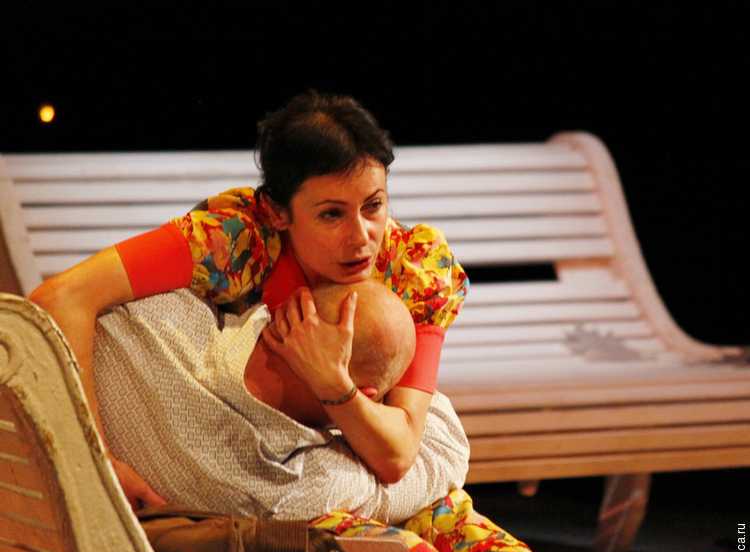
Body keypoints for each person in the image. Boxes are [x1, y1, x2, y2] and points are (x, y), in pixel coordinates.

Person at [29, 89, 469, 506]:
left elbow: (398, 454)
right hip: (253, 462)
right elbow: (62, 296)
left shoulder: (413, 266)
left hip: (361, 462)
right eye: (332, 214)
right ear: (278, 212)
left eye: (373, 206)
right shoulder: (237, 239)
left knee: (472, 540)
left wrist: (334, 383)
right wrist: (96, 462)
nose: (362, 237)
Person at [93, 280, 581, 552]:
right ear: (372, 395)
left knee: (449, 520)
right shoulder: (275, 476)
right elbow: (431, 460)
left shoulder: (172, 313)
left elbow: (443, 443)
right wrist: (345, 398)